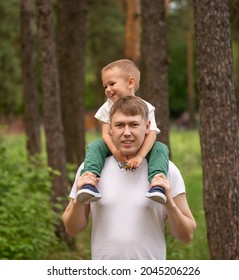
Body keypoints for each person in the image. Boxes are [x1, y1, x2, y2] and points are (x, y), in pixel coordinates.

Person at [62, 96, 196, 260]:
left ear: (147, 127)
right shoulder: (90, 169)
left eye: (133, 124)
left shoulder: (166, 170)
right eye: (119, 125)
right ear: (110, 128)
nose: (126, 132)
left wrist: (169, 202)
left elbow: (186, 235)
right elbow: (72, 229)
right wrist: (78, 201)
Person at [77, 59, 169, 204]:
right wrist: (116, 153)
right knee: (95, 146)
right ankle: (89, 180)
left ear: (130, 82)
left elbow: (151, 133)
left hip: (140, 145)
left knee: (160, 148)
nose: (108, 89)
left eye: (112, 84)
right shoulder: (107, 107)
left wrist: (139, 157)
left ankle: (158, 183)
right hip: (114, 145)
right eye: (105, 86)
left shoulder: (146, 107)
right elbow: (106, 134)